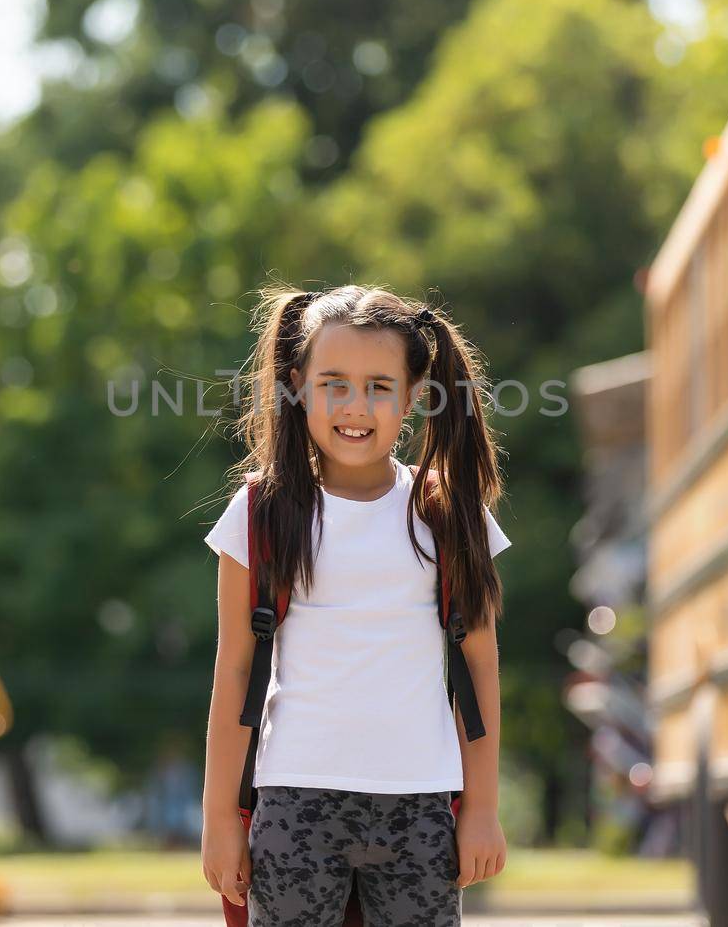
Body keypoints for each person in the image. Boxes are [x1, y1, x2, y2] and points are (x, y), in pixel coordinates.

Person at [199, 284, 512, 926]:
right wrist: (218, 821)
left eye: (378, 386)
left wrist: (481, 809)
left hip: (421, 806)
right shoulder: (260, 515)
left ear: (416, 396)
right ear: (295, 386)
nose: (355, 406)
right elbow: (234, 671)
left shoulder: (450, 516)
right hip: (294, 801)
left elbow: (479, 668)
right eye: (333, 383)